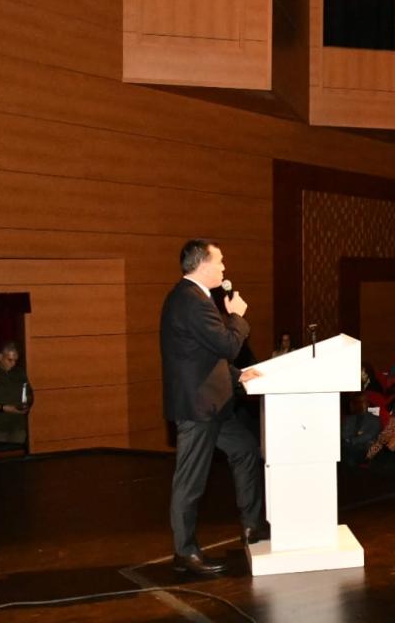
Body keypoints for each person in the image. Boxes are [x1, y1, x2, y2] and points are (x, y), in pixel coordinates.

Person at [160, 239, 264, 576]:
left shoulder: (195, 299)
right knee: (190, 481)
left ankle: (252, 527)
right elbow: (227, 345)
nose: (224, 267)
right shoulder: (191, 300)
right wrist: (237, 317)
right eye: (219, 261)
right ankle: (184, 553)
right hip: (199, 408)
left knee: (247, 449)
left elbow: (202, 355)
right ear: (203, 264)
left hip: (213, 403)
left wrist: (236, 376)